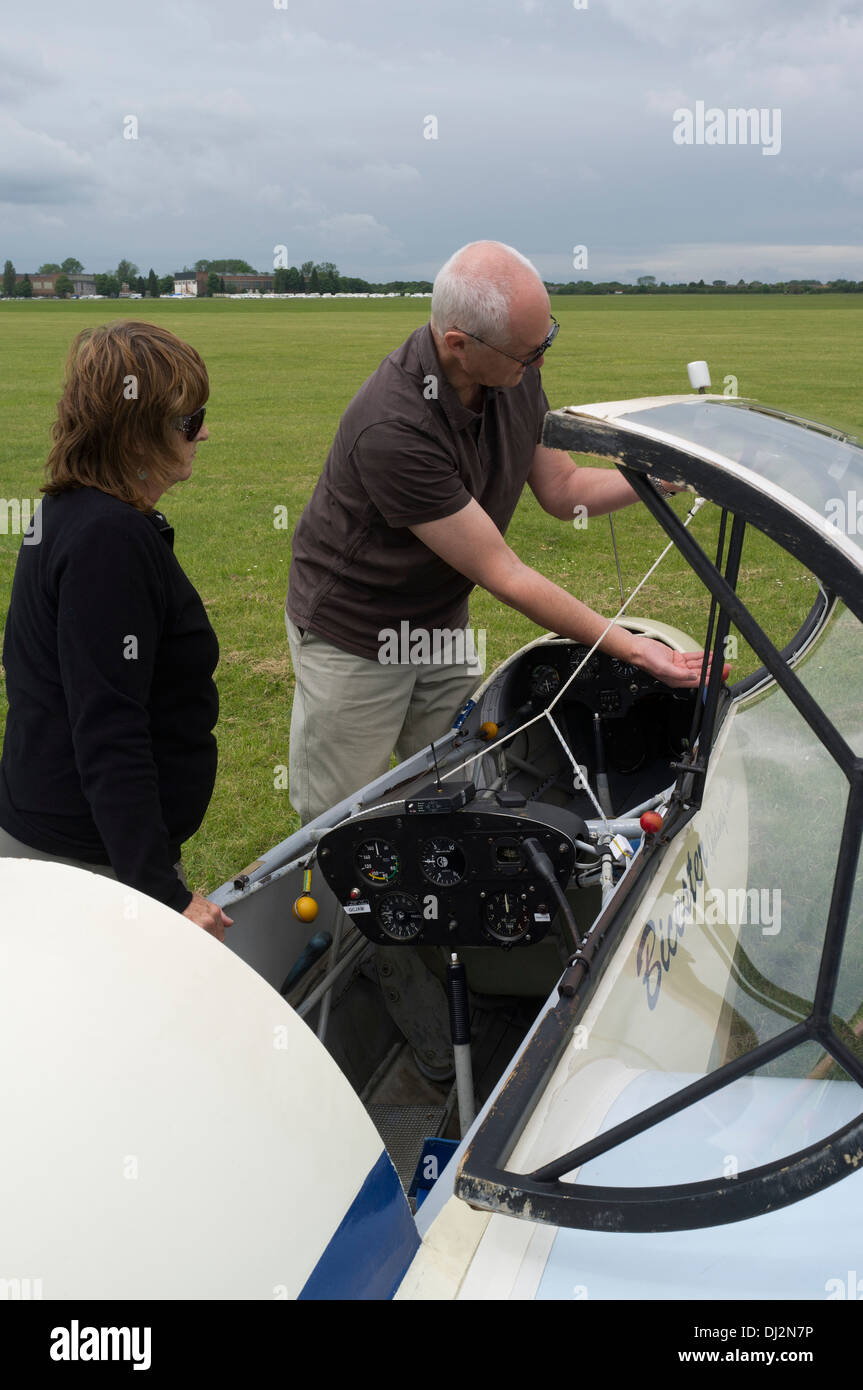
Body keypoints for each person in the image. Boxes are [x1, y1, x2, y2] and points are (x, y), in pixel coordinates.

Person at [286, 240, 707, 825]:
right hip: (355, 632)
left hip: (440, 619)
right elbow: (504, 573)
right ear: (458, 344)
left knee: (460, 787)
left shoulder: (512, 375)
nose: (540, 366)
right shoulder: (391, 425)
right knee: (339, 819)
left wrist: (653, 478)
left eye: (546, 343)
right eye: (528, 353)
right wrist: (630, 647)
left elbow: (561, 491)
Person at [0, 320, 231, 941]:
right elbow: (109, 728)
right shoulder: (110, 540)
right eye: (189, 420)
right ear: (134, 438)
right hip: (83, 861)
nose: (204, 431)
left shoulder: (68, 510)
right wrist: (163, 895)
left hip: (60, 834)